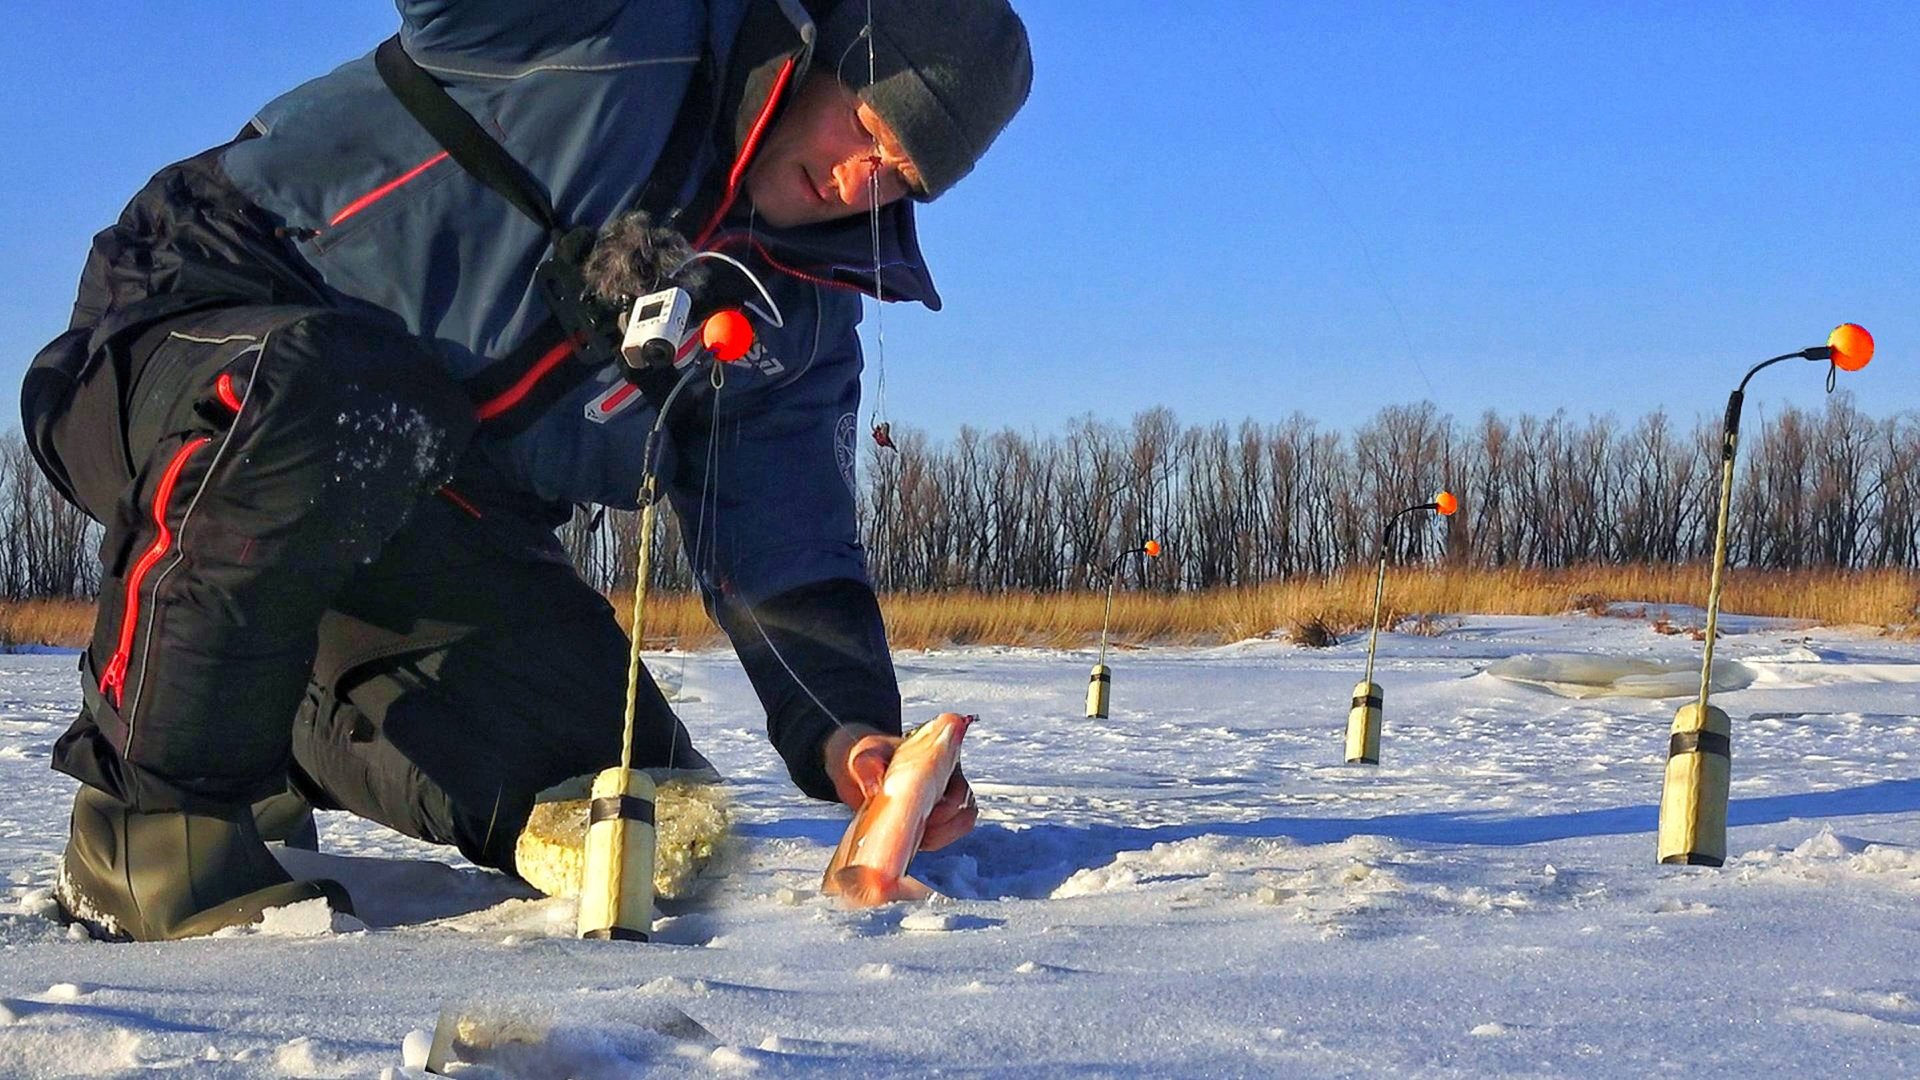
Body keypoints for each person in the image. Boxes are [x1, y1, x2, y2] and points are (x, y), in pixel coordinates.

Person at [20, 0, 1032, 941]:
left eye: (899, 177)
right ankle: (152, 821)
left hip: (425, 513)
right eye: (864, 126)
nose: (859, 183)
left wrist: (848, 733)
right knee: (347, 394)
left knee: (651, 815)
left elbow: (787, 536)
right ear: (814, 49)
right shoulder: (616, 25)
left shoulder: (797, 321)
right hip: (185, 338)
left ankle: (275, 715)